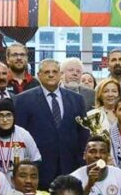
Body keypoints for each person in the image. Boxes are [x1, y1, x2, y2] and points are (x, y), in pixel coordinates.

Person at [14, 59, 89, 188]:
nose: (51, 75)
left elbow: (83, 133)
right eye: (46, 72)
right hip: (39, 168)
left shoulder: (77, 99)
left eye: (54, 72)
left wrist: (81, 162)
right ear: (39, 75)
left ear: (60, 74)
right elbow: (20, 135)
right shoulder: (23, 99)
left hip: (71, 167)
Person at [0, 98, 41, 179]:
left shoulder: (24, 135)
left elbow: (36, 160)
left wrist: (24, 176)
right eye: (0, 116)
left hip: (17, 183)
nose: (5, 120)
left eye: (8, 115)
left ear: (14, 116)